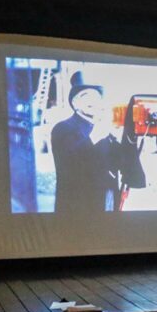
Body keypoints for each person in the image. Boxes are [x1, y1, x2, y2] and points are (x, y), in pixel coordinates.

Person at [51, 71, 120, 215]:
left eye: (95, 96)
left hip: (107, 200)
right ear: (74, 103)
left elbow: (120, 163)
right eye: (85, 96)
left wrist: (128, 139)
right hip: (77, 206)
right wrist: (95, 135)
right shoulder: (62, 127)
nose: (91, 101)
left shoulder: (105, 129)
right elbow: (69, 161)